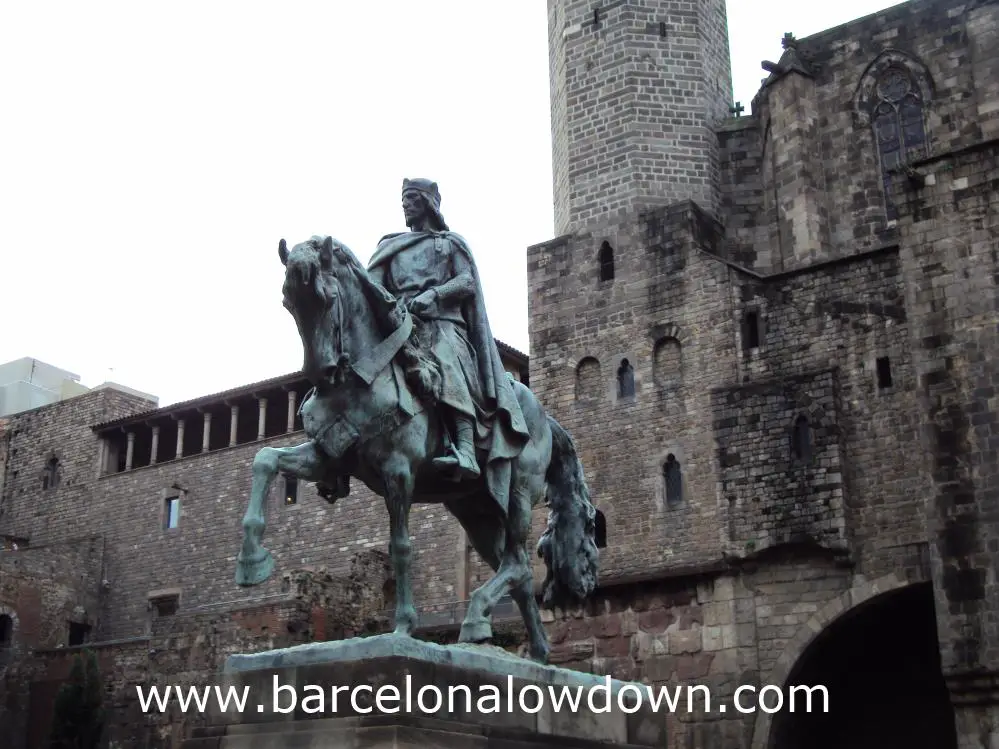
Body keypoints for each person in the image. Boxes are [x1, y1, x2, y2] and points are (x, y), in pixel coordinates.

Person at [366, 178, 528, 483]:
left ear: (428, 203)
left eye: (412, 198)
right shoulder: (389, 246)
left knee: (445, 355)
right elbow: (370, 285)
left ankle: (466, 448)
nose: (405, 205)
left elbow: (467, 281)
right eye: (404, 199)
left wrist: (435, 295)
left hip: (443, 323)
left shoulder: (449, 244)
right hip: (399, 325)